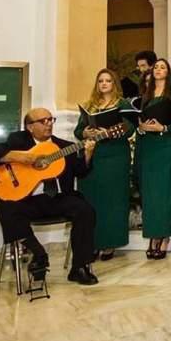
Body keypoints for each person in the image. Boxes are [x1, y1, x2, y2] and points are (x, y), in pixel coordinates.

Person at [0, 107, 98, 285]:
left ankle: (79, 268)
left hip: (58, 199)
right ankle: (38, 252)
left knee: (85, 210)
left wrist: (88, 153)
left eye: (51, 120)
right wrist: (20, 157)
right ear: (29, 127)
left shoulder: (64, 146)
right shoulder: (18, 141)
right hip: (28, 200)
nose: (48, 124)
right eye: (43, 121)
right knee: (6, 207)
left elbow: (81, 172)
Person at [74, 69, 133, 261]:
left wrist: (108, 132)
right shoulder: (90, 105)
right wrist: (86, 133)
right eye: (101, 81)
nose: (104, 84)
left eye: (108, 80)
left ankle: (110, 243)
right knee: (92, 199)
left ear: (114, 83)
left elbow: (129, 127)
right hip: (93, 156)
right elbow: (78, 130)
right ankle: (92, 242)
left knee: (113, 200)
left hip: (115, 156)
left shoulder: (123, 104)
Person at [136, 59, 171, 260]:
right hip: (149, 147)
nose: (158, 70)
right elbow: (139, 120)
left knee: (165, 194)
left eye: (162, 67)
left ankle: (164, 237)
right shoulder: (145, 96)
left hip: (167, 147)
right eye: (156, 67)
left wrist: (163, 127)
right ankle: (152, 235)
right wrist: (141, 127)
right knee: (150, 195)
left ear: (168, 73)